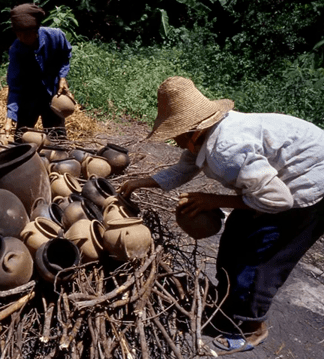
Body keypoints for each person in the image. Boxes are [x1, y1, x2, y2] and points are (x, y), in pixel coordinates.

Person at [119, 76, 324, 352]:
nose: (175, 141)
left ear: (193, 130)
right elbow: (183, 169)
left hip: (307, 188)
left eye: (176, 134)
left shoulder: (226, 149)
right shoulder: (206, 134)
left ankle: (252, 329)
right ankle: (229, 310)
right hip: (274, 185)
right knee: (234, 240)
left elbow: (280, 200)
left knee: (260, 258)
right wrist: (141, 182)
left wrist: (213, 199)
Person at [4, 3, 74, 139]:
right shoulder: (17, 50)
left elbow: (65, 56)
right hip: (28, 96)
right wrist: (10, 117)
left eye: (26, 34)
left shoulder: (55, 36)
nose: (22, 38)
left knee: (57, 139)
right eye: (18, 34)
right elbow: (14, 86)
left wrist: (62, 77)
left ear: (35, 30)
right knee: (21, 138)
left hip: (53, 94)